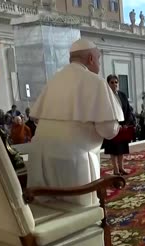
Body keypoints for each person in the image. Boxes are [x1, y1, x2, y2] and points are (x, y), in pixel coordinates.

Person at [27, 39, 124, 206]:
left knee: (51, 206)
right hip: (74, 162)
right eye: (98, 59)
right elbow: (108, 130)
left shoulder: (55, 79)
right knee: (80, 209)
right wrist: (117, 125)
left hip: (41, 160)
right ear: (91, 59)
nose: (99, 63)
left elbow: (37, 119)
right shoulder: (96, 82)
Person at [101, 75, 135, 175]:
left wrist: (126, 123)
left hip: (123, 126)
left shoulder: (122, 95)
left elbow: (128, 110)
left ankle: (121, 168)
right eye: (112, 82)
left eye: (116, 82)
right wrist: (114, 124)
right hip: (112, 126)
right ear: (108, 84)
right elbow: (105, 112)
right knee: (113, 149)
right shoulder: (105, 96)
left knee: (121, 148)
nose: (114, 84)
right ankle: (115, 169)